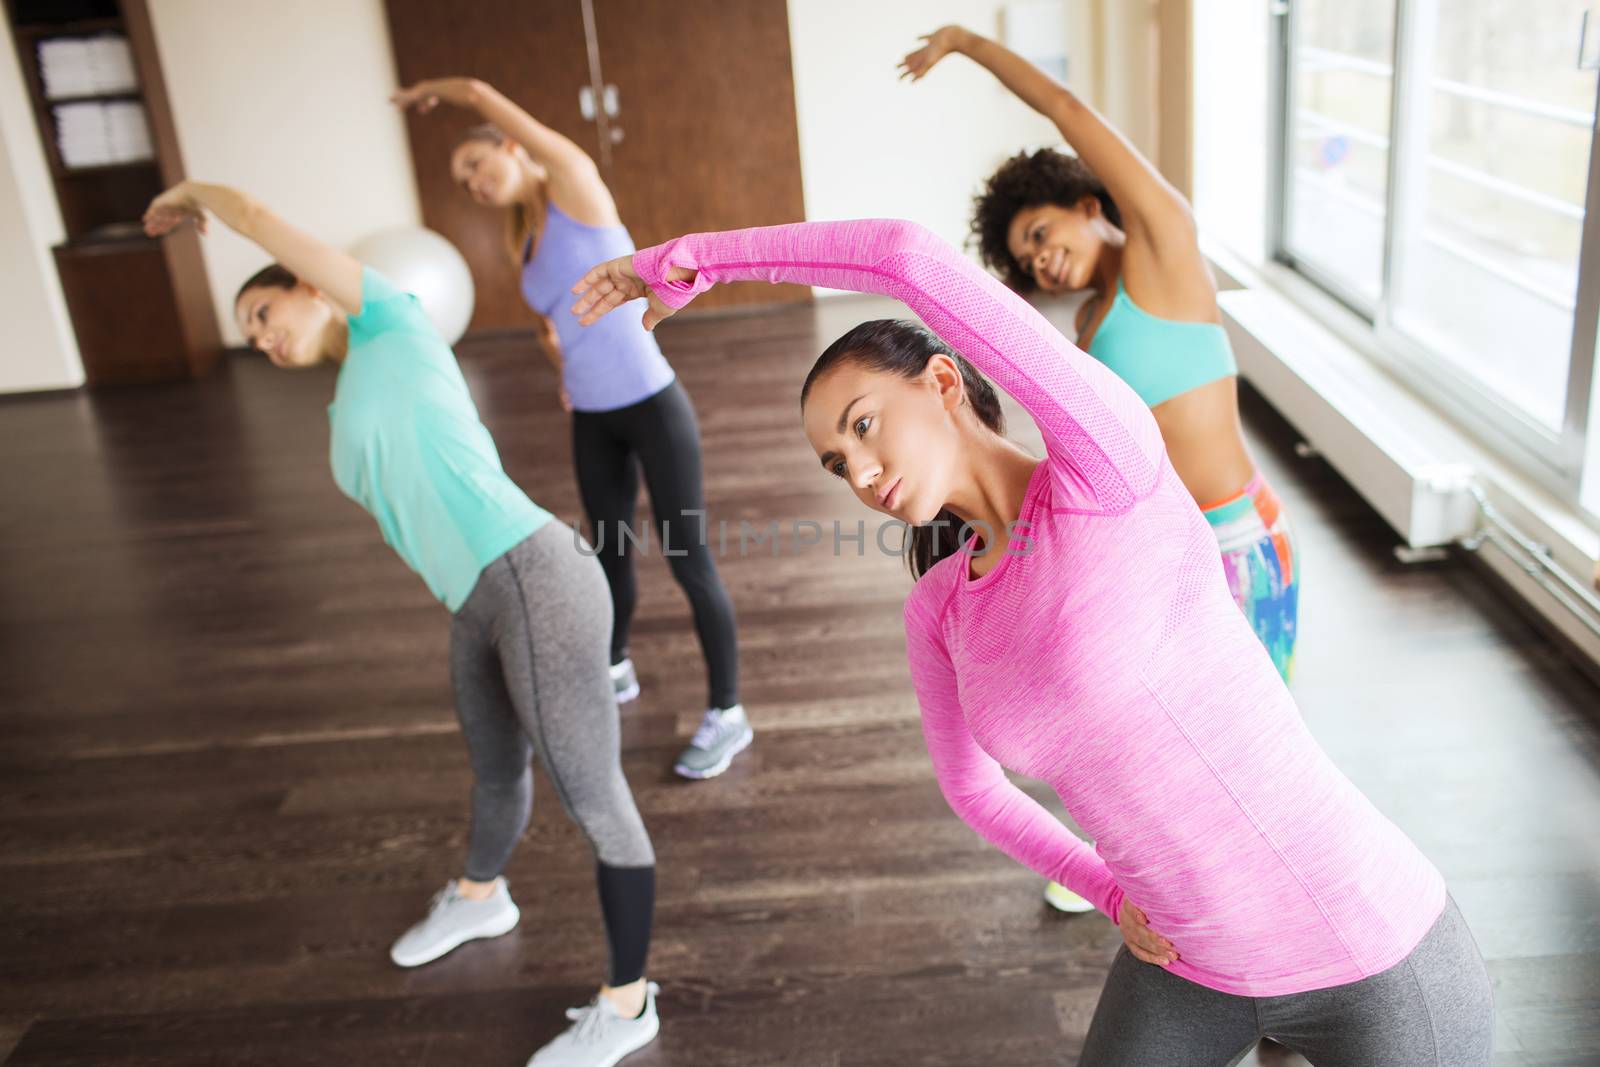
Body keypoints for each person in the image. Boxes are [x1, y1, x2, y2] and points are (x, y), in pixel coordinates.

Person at [570, 218, 1494, 1064]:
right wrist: (1102, 887)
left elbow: (904, 257)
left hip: (1365, 941)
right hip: (1185, 954)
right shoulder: (940, 608)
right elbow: (971, 787)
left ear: (939, 382)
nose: (857, 470)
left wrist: (691, 262)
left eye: (863, 427)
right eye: (835, 461)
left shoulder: (1106, 469)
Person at [143, 180, 661, 1067]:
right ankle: (480, 895)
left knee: (594, 798)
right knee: (496, 770)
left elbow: (271, 219)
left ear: (312, 286)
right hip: (477, 599)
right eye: (250, 334)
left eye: (263, 311)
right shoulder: (347, 398)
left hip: (534, 576)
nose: (261, 337)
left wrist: (201, 196)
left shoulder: (394, 322)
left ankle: (629, 1002)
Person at [903, 23, 1303, 918]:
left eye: (1043, 230)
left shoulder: (1165, 245)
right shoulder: (1085, 327)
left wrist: (969, 43)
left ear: (1089, 202)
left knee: (1251, 759)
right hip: (1167, 558)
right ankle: (1155, 885)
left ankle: (1283, 948)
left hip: (1239, 537)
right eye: (1026, 254)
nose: (1041, 257)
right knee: (1162, 736)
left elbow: (1066, 107)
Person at [392, 77, 752, 780]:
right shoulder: (523, 234)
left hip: (652, 405)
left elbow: (490, 100)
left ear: (511, 145)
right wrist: (562, 363)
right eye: (463, 180)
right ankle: (614, 665)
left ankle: (728, 714)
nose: (473, 182)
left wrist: (454, 91)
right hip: (592, 415)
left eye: (476, 164)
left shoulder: (577, 192)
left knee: (689, 560)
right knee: (610, 549)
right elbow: (555, 311)